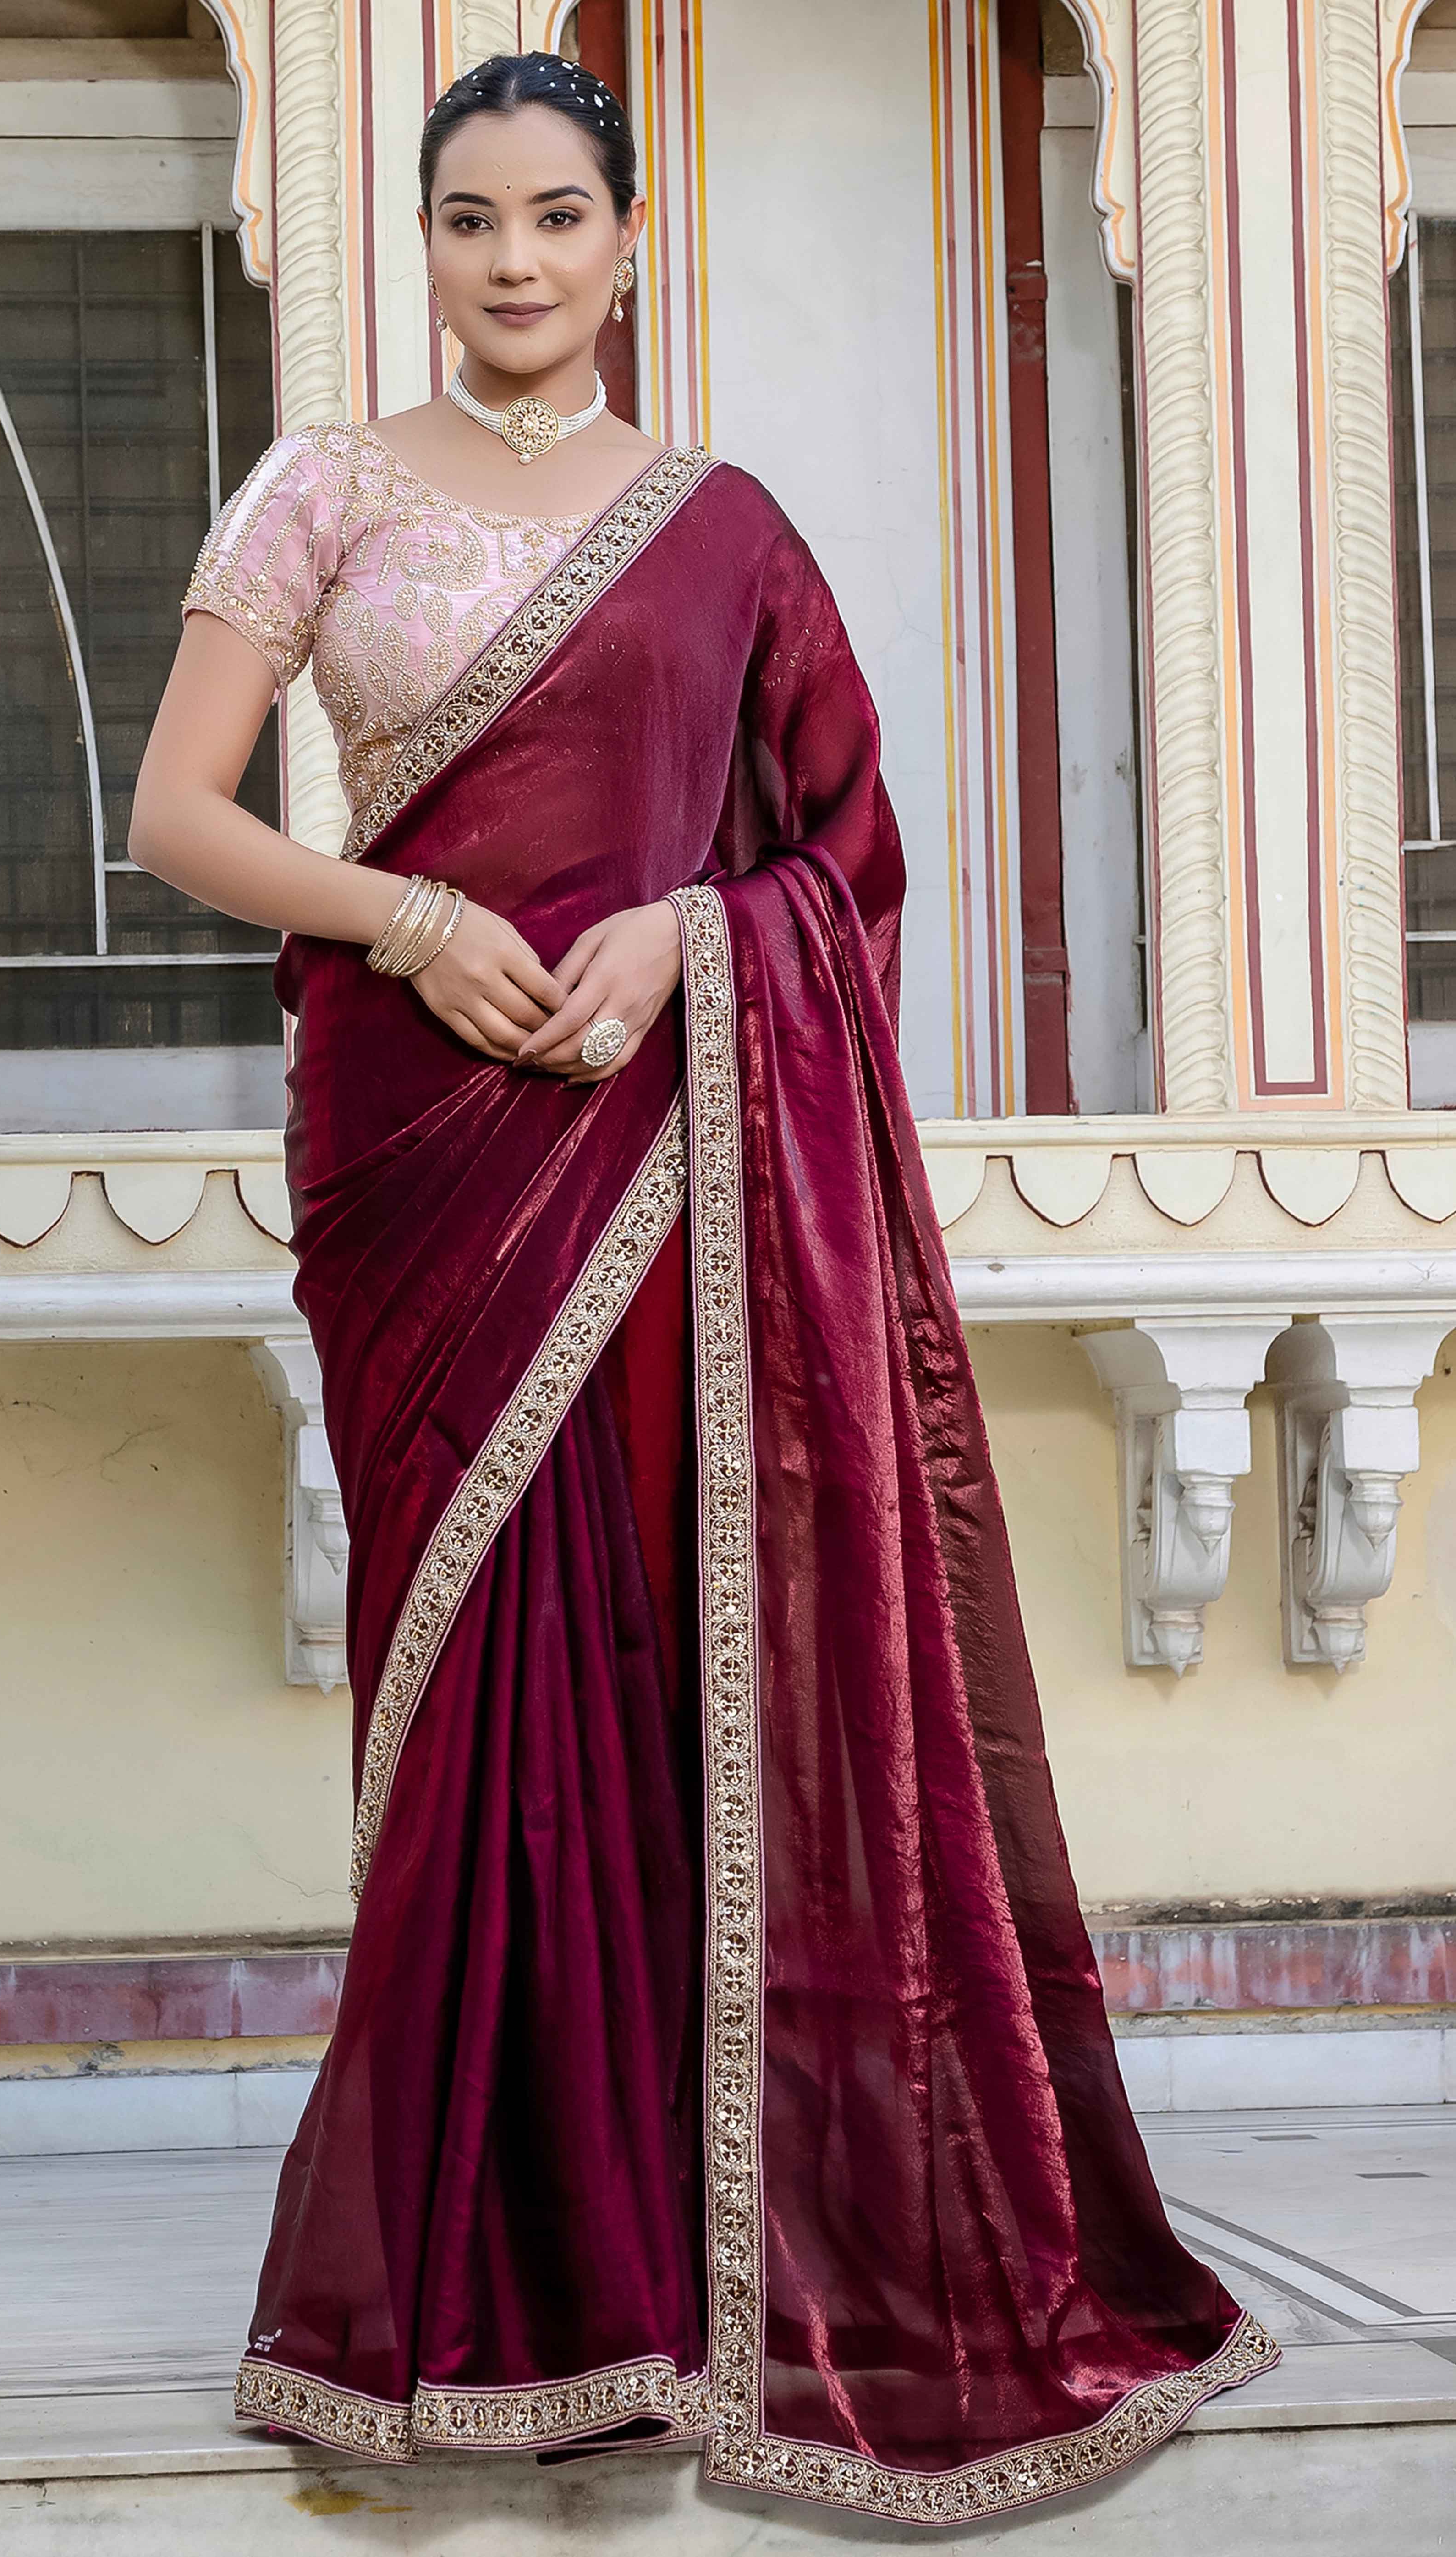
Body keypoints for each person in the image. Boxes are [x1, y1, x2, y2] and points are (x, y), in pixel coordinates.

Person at [129, 49, 1277, 2527]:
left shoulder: (720, 528)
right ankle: (468, 2308)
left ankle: (678, 2284)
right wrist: (415, 913)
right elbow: (179, 814)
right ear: (420, 243)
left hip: (669, 1152)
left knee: (667, 1677)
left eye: (556, 215)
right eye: (466, 220)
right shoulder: (318, 485)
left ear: (630, 240)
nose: (512, 262)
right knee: (463, 1714)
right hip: (421, 1158)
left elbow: (840, 857)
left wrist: (683, 937)